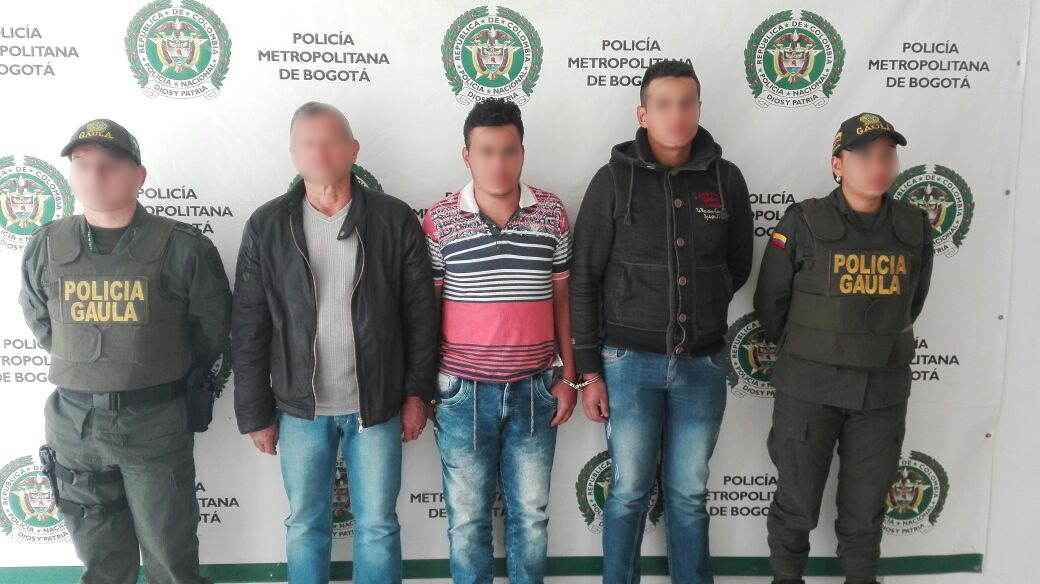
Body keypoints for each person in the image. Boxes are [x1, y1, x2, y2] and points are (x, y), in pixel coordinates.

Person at [231, 102, 437, 584]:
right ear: (293, 153)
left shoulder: (393, 219)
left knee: (378, 527)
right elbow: (248, 325)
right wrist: (256, 412)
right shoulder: (267, 225)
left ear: (353, 149)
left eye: (330, 141)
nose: (319, 152)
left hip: (377, 407)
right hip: (300, 411)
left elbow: (420, 317)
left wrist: (417, 394)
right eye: (308, 143)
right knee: (306, 526)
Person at [20, 118, 231, 584]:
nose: (94, 175)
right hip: (75, 427)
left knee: (171, 561)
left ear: (139, 176)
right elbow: (42, 322)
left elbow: (212, 331)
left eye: (110, 164)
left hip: (154, 422)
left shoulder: (183, 248)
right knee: (101, 564)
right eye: (82, 164)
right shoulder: (46, 245)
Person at [570, 60, 754, 582]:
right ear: (643, 114)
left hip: (702, 364)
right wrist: (589, 369)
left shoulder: (726, 179)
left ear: (699, 109)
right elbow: (584, 277)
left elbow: (738, 265)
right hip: (628, 365)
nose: (677, 114)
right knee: (629, 491)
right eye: (665, 104)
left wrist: (704, 302)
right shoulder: (612, 180)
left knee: (689, 493)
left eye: (687, 103)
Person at [753, 113, 934, 584]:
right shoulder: (803, 222)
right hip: (809, 389)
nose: (878, 165)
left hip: (881, 391)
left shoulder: (914, 227)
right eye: (864, 155)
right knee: (795, 502)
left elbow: (912, 302)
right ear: (838, 164)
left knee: (865, 509)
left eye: (887, 155)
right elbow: (771, 304)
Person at [423, 97, 578, 583]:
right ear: (466, 156)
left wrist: (570, 376)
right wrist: (424, 386)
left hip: (536, 389)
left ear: (522, 153)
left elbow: (563, 300)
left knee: (530, 518)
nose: (498, 163)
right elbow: (428, 310)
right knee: (467, 522)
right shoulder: (439, 219)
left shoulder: (551, 213)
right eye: (486, 152)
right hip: (462, 393)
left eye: (509, 151)